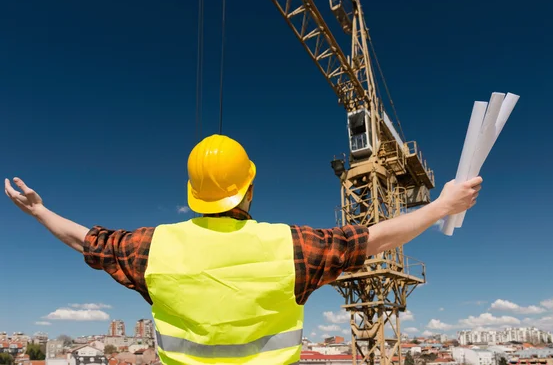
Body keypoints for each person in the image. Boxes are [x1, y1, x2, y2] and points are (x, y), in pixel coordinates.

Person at [4, 134, 482, 365]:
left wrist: (40, 211)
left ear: (193, 192)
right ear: (248, 191)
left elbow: (86, 241)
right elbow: (375, 237)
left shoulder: (153, 248)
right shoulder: (292, 246)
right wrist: (442, 205)